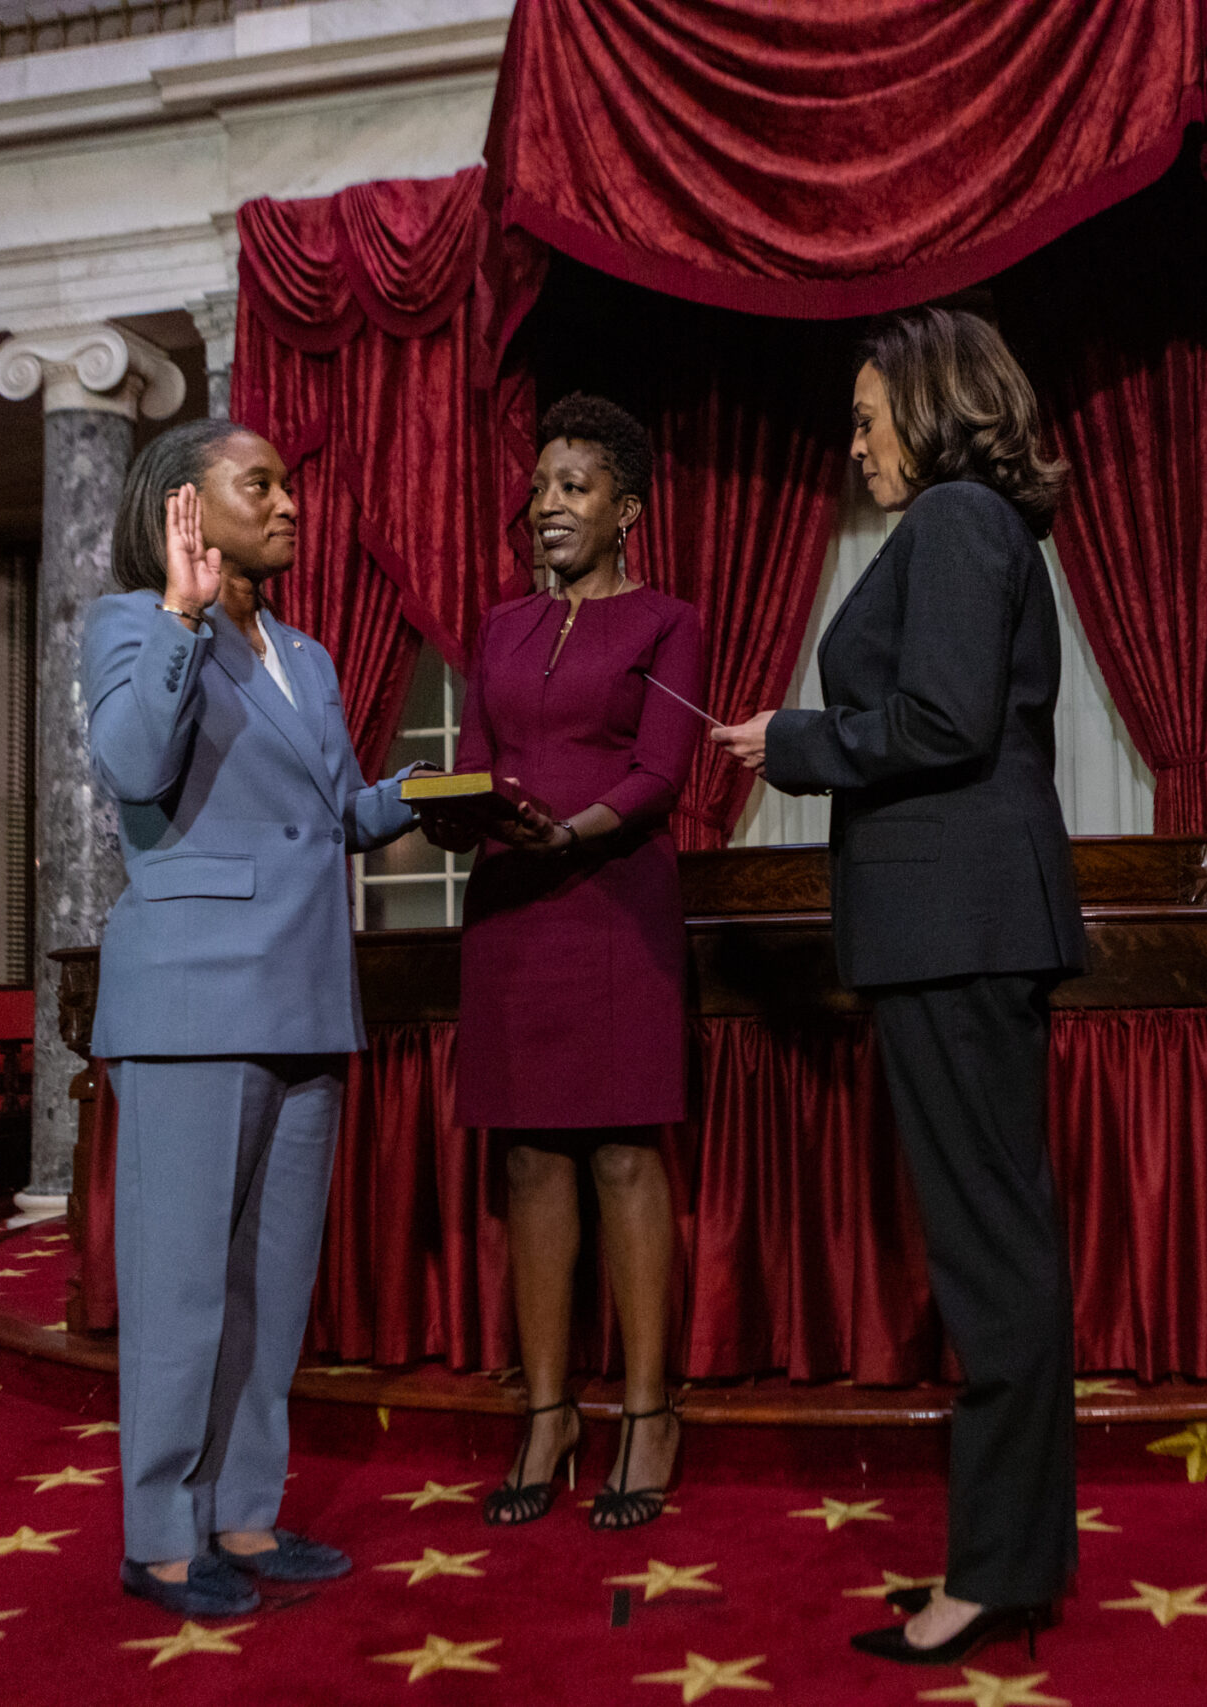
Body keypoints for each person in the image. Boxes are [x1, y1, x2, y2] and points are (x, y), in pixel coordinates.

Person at [710, 308, 1085, 1665]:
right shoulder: (981, 527)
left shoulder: (958, 523)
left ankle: (994, 1573)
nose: (857, 443)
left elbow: (941, 723)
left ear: (929, 411)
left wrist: (793, 740)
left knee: (993, 1261)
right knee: (1004, 1250)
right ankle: (1015, 1557)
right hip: (968, 923)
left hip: (960, 924)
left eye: (870, 419)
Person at [82, 418, 422, 1617]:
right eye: (259, 485)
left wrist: (431, 792)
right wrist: (179, 616)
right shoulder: (129, 623)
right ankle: (160, 1538)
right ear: (185, 506)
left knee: (272, 1291)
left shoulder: (310, 656)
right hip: (193, 1005)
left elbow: (339, 812)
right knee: (182, 1289)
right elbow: (131, 765)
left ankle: (243, 1513)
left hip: (306, 998)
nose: (289, 505)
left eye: (289, 486)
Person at [431, 392, 703, 1531]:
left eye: (574, 486)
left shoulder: (667, 621)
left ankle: (647, 1413)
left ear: (626, 510)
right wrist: (451, 813)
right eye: (540, 486)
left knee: (624, 1161)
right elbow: (479, 761)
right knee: (531, 1161)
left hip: (614, 906)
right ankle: (547, 1414)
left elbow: (662, 770)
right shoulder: (495, 630)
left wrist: (572, 831)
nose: (547, 504)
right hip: (510, 914)